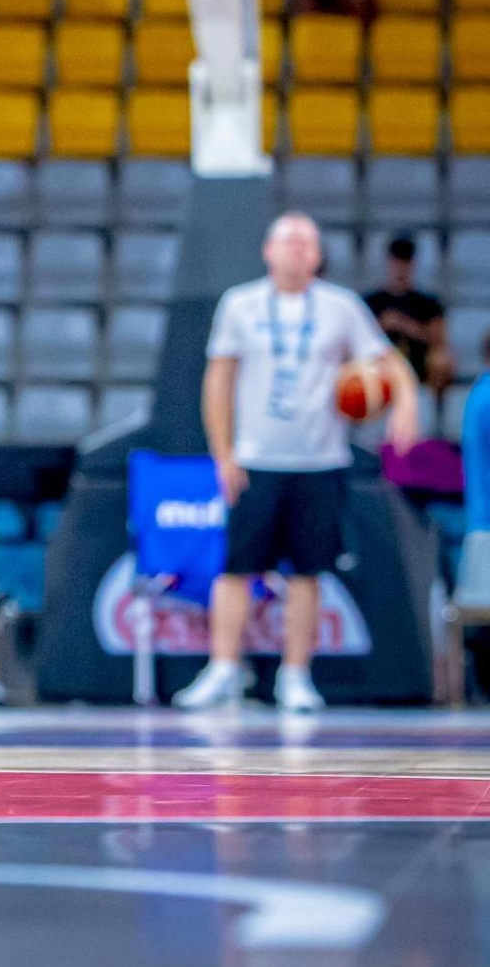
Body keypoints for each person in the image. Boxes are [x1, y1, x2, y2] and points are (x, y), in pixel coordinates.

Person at [175, 211, 419, 715]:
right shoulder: (240, 304)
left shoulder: (340, 306)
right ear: (268, 251)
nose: (298, 249)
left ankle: (296, 675)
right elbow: (218, 382)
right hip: (256, 458)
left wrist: (407, 404)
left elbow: (387, 362)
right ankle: (223, 668)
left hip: (320, 459)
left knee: (309, 572)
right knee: (236, 569)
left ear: (318, 255)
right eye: (289, 240)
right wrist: (223, 453)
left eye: (308, 242)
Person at [366, 236, 453, 396]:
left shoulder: (428, 303)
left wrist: (405, 326)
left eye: (405, 261)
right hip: (378, 370)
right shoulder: (371, 301)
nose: (401, 267)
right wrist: (381, 326)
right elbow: (359, 338)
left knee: (440, 360)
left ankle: (433, 403)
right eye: (397, 261)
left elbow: (438, 342)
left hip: (417, 367)